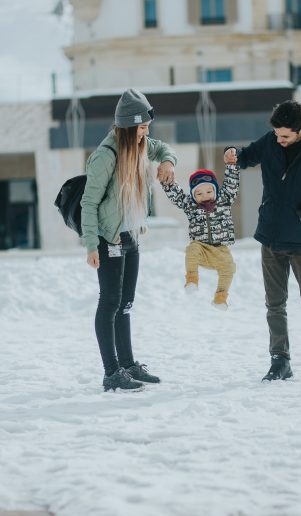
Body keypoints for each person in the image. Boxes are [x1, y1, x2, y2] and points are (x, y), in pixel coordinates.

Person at [224, 100, 301, 382]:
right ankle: (280, 361)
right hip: (271, 237)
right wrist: (233, 154)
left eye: (285, 136)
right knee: (274, 304)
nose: (279, 140)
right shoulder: (271, 141)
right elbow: (247, 156)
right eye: (277, 134)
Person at [81, 88, 177, 392]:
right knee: (110, 302)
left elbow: (164, 149)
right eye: (142, 127)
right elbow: (88, 203)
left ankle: (128, 364)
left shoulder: (141, 144)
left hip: (132, 234)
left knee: (126, 303)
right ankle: (112, 372)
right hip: (109, 237)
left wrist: (168, 163)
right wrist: (90, 244)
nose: (146, 133)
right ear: (127, 127)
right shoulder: (105, 156)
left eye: (147, 127)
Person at [160, 165, 240, 310]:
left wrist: (231, 165)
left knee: (229, 267)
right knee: (192, 249)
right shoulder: (191, 206)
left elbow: (231, 185)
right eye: (199, 193)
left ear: (215, 190)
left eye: (209, 191)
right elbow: (177, 196)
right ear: (193, 196)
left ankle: (220, 298)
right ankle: (192, 280)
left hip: (221, 249)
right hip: (201, 248)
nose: (205, 196)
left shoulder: (224, 200)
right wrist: (167, 182)